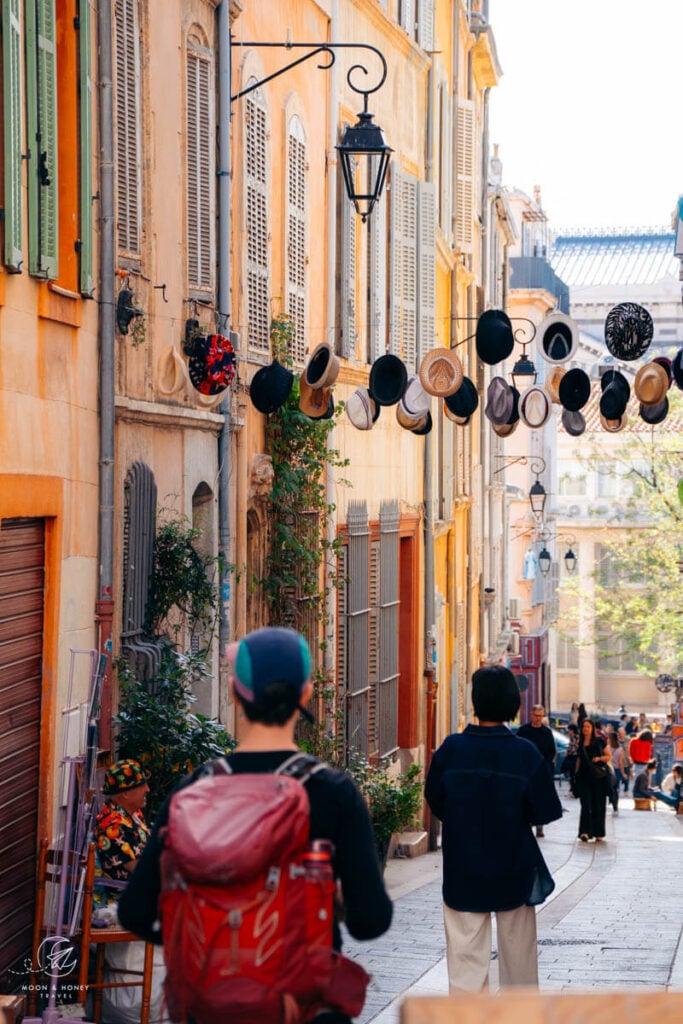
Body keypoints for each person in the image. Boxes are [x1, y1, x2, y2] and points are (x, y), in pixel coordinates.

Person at [118, 626, 392, 1022]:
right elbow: (371, 922)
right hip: (303, 1009)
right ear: (306, 694)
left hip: (209, 1010)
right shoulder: (333, 792)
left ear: (235, 693)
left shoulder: (195, 789)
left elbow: (135, 912)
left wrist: (208, 953)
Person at [425, 665, 562, 993]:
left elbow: (435, 799)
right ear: (513, 704)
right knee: (519, 967)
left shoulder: (451, 750)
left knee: (465, 963)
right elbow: (546, 809)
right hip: (514, 868)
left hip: (462, 868)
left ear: (475, 700)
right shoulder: (524, 753)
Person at [93, 759, 166, 1024]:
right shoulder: (113, 824)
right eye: (142, 785)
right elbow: (139, 868)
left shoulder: (131, 816)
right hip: (121, 901)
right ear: (125, 792)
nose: (147, 789)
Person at [517, 704, 557, 837]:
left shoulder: (547, 732)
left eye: (541, 716)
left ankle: (540, 826)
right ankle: (527, 823)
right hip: (526, 770)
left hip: (541, 770)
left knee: (540, 799)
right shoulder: (523, 731)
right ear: (531, 715)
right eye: (536, 716)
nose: (539, 718)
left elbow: (551, 751)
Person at [573, 718, 610, 842]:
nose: (585, 729)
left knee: (598, 804)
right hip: (584, 777)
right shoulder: (580, 742)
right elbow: (578, 759)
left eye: (588, 727)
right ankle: (585, 831)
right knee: (585, 804)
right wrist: (575, 775)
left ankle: (598, 832)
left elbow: (608, 756)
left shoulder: (599, 741)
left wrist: (599, 759)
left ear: (592, 728)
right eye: (584, 727)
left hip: (598, 777)